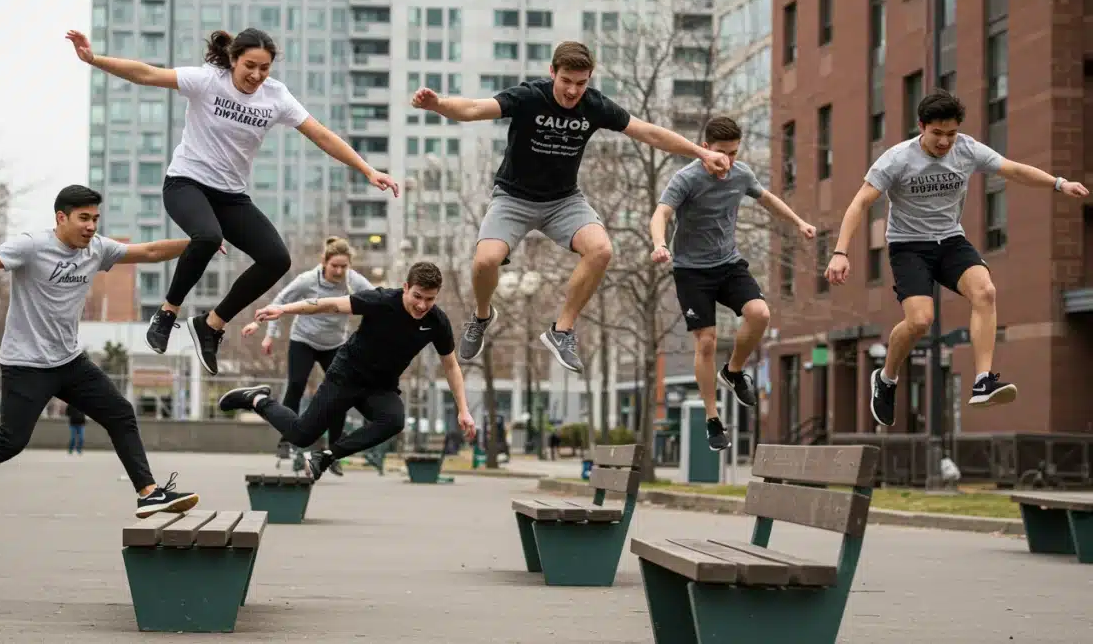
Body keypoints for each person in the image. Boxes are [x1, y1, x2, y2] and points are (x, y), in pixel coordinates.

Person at [66, 28, 399, 376]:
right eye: (249, 66)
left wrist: (367, 170)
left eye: (265, 68)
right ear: (233, 60)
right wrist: (94, 59)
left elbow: (322, 135)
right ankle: (166, 313)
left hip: (230, 196)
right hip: (186, 184)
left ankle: (210, 325)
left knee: (276, 259)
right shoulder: (208, 81)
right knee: (208, 237)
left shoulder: (276, 96)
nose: (256, 76)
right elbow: (147, 74)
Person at [410, 41, 731, 374]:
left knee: (601, 250)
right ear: (553, 73)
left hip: (563, 201)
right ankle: (481, 316)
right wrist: (439, 104)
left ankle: (561, 330)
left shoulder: (595, 106)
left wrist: (702, 153)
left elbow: (649, 132)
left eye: (581, 83)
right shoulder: (530, 97)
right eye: (566, 81)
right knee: (485, 261)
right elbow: (475, 109)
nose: (573, 91)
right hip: (513, 198)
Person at [0, 185, 201, 537]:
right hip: (26, 364)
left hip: (69, 361)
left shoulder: (97, 249)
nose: (91, 227)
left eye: (96, 219)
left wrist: (199, 242)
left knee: (120, 413)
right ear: (61, 217)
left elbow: (152, 251)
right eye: (84, 219)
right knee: (10, 441)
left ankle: (148, 493)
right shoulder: (31, 246)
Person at [825, 89, 1089, 427]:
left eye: (950, 134)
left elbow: (1013, 170)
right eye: (937, 134)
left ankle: (982, 380)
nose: (945, 142)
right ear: (922, 127)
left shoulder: (967, 149)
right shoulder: (896, 159)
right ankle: (887, 377)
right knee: (920, 321)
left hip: (950, 240)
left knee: (986, 292)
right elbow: (860, 202)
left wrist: (1058, 183)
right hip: (909, 245)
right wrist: (840, 252)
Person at [218, 262, 477, 481]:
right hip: (346, 375)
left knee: (393, 420)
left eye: (429, 300)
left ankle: (328, 456)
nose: (422, 306)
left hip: (380, 387)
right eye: (417, 297)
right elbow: (329, 304)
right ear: (406, 288)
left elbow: (450, 365)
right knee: (301, 435)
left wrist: (463, 409)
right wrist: (283, 309)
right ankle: (257, 399)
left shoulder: (437, 322)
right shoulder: (382, 300)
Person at [650, 117, 817, 452]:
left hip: (727, 263)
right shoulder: (686, 179)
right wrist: (659, 243)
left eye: (734, 153)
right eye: (722, 154)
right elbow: (662, 213)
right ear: (706, 148)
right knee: (707, 342)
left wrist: (799, 222)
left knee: (759, 314)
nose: (727, 162)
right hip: (691, 271)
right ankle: (713, 419)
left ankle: (735, 370)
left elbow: (767, 198)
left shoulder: (741, 174)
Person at [238, 236, 375, 477]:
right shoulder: (308, 280)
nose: (339, 271)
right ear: (324, 262)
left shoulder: (353, 281)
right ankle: (285, 440)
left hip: (334, 344)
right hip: (303, 340)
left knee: (339, 394)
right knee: (296, 385)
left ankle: (334, 452)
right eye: (335, 266)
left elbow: (377, 300)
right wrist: (269, 334)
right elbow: (280, 301)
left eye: (344, 266)